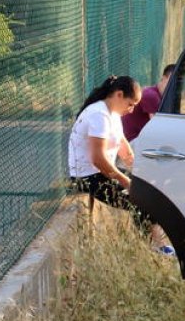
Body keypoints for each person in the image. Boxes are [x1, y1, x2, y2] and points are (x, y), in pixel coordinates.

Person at [68, 75, 173, 256]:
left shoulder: (113, 113)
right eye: (131, 104)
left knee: (152, 192)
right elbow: (98, 159)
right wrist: (126, 181)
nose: (132, 110)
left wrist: (140, 173)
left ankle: (157, 246)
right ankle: (154, 249)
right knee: (143, 202)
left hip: (103, 173)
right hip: (88, 177)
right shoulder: (98, 115)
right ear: (118, 95)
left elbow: (124, 148)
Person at [122, 63, 174, 141]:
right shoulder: (152, 96)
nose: (173, 85)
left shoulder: (158, 95)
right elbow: (157, 129)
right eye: (171, 81)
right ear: (163, 78)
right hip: (132, 142)